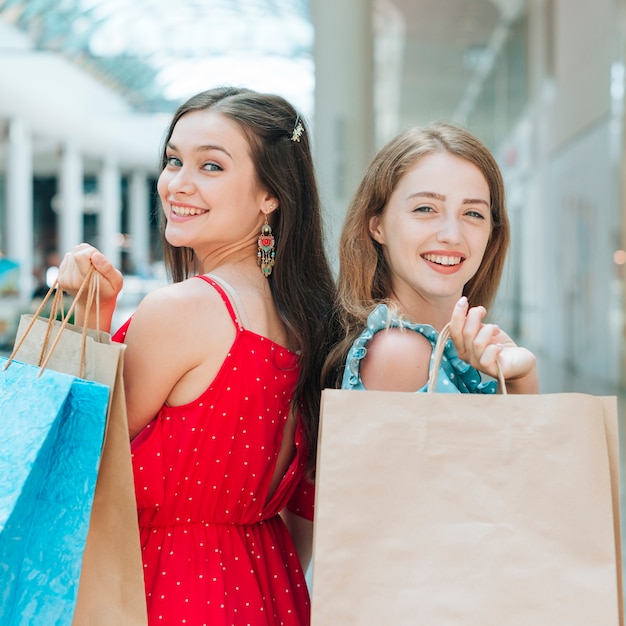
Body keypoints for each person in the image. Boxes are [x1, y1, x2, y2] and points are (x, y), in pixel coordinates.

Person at [58, 86, 338, 625]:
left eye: (211, 166)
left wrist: (88, 319)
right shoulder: (305, 321)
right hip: (263, 582)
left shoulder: (183, 310)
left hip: (159, 586)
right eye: (173, 160)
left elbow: (83, 461)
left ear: (270, 195)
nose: (177, 184)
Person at [323, 122, 538, 395]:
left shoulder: (449, 350)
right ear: (377, 226)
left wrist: (521, 376)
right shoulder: (400, 352)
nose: (452, 235)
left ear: (492, 234)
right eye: (425, 208)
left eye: (473, 213)